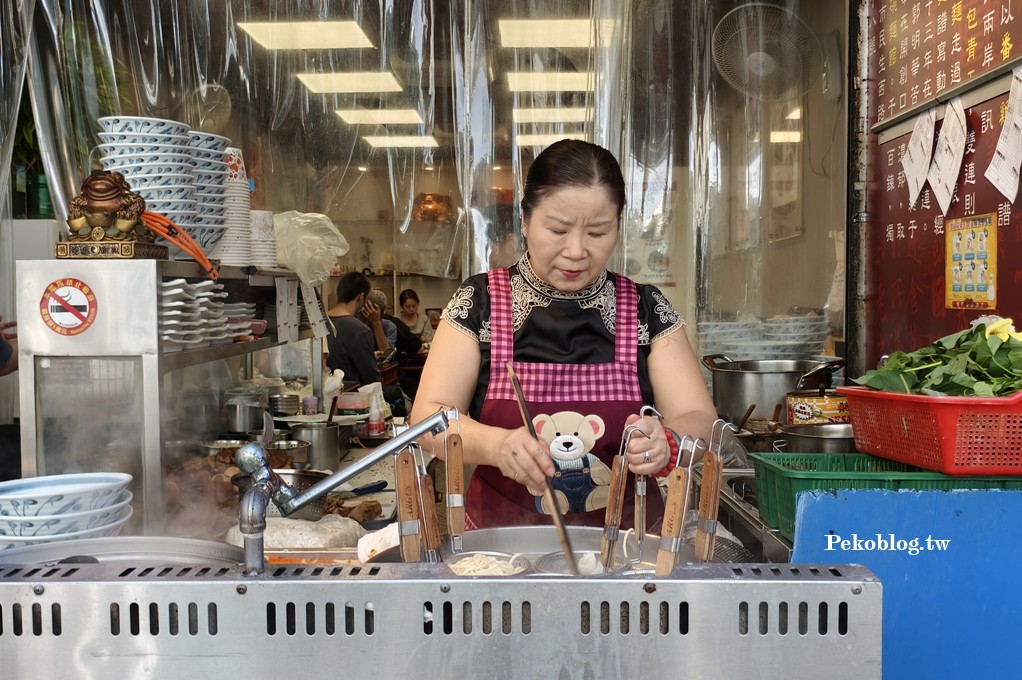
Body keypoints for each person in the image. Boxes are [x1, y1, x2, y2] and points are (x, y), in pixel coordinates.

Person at [409, 139, 716, 531]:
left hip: (627, 549)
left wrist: (668, 440)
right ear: (524, 219)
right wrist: (496, 445)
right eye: (557, 229)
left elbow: (700, 417)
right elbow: (428, 419)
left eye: (598, 232)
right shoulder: (479, 303)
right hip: (501, 548)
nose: (576, 251)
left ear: (618, 224)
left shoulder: (644, 309)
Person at [325, 272, 381, 386]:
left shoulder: (320, 322)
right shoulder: (360, 330)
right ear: (361, 297)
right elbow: (372, 380)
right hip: (352, 397)